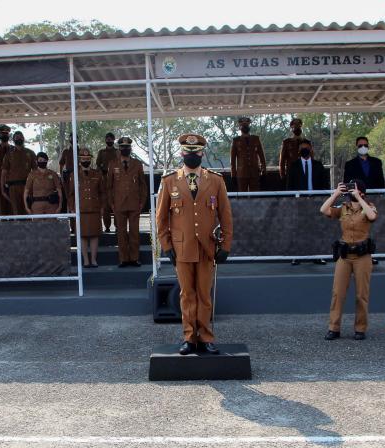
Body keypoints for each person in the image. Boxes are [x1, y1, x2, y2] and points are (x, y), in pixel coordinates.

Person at [157, 133, 233, 355]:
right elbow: (161, 218)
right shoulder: (169, 180)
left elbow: (226, 215)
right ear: (182, 153)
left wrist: (226, 245)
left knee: (204, 294)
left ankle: (206, 337)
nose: (192, 156)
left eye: (196, 152)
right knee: (187, 294)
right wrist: (167, 246)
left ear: (202, 153)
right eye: (188, 152)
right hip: (182, 248)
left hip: (207, 247)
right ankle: (189, 337)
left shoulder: (216, 180)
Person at [321, 180, 377, 341]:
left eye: (355, 189)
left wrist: (360, 198)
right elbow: (323, 210)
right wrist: (336, 193)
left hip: (362, 257)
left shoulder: (369, 206)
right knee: (338, 293)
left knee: (362, 294)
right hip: (345, 256)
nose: (350, 193)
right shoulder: (343, 208)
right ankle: (334, 328)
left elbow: (372, 216)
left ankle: (360, 328)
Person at [107, 137, 147, 267]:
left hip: (135, 203)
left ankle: (134, 258)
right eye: (123, 147)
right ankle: (123, 259)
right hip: (119, 204)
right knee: (121, 233)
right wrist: (111, 203)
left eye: (127, 147)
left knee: (134, 232)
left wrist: (142, 201)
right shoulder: (113, 164)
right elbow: (109, 186)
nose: (125, 149)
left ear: (130, 149)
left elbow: (142, 184)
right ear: (119, 149)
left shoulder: (137, 164)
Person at [75, 148, 106, 267]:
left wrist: (102, 207)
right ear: (79, 160)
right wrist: (73, 207)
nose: (85, 161)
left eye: (88, 159)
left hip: (94, 208)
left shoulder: (97, 174)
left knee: (94, 235)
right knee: (82, 235)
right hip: (81, 209)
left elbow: (102, 192)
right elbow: (71, 194)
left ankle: (93, 259)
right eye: (83, 159)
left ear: (91, 160)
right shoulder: (75, 175)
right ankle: (85, 260)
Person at [0, 130, 36, 215]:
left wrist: (35, 187)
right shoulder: (9, 154)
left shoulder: (30, 153)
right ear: (13, 140)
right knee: (16, 211)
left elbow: (35, 172)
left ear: (23, 139)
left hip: (27, 186)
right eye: (16, 138)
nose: (19, 139)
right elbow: (3, 173)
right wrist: (2, 189)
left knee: (28, 210)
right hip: (13, 188)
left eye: (20, 137)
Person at [230, 116, 267, 192]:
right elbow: (233, 160)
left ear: (249, 126)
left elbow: (262, 156)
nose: (245, 127)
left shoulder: (256, 139)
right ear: (240, 127)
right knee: (242, 195)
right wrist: (233, 175)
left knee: (255, 195)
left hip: (255, 172)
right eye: (243, 126)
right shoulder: (236, 140)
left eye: (246, 125)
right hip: (241, 173)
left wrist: (264, 170)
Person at [95, 132, 118, 232]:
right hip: (104, 181)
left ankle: (118, 226)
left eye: (110, 139)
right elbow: (97, 164)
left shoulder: (117, 152)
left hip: (115, 182)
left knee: (116, 205)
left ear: (113, 140)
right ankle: (107, 226)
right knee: (105, 206)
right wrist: (101, 172)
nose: (109, 141)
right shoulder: (101, 152)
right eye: (107, 139)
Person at [279, 117, 307, 189]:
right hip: (291, 172)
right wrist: (282, 173)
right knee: (291, 192)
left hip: (304, 171)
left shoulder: (306, 142)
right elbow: (282, 159)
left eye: (299, 126)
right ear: (292, 127)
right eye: (295, 126)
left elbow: (311, 157)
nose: (297, 127)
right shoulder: (286, 142)